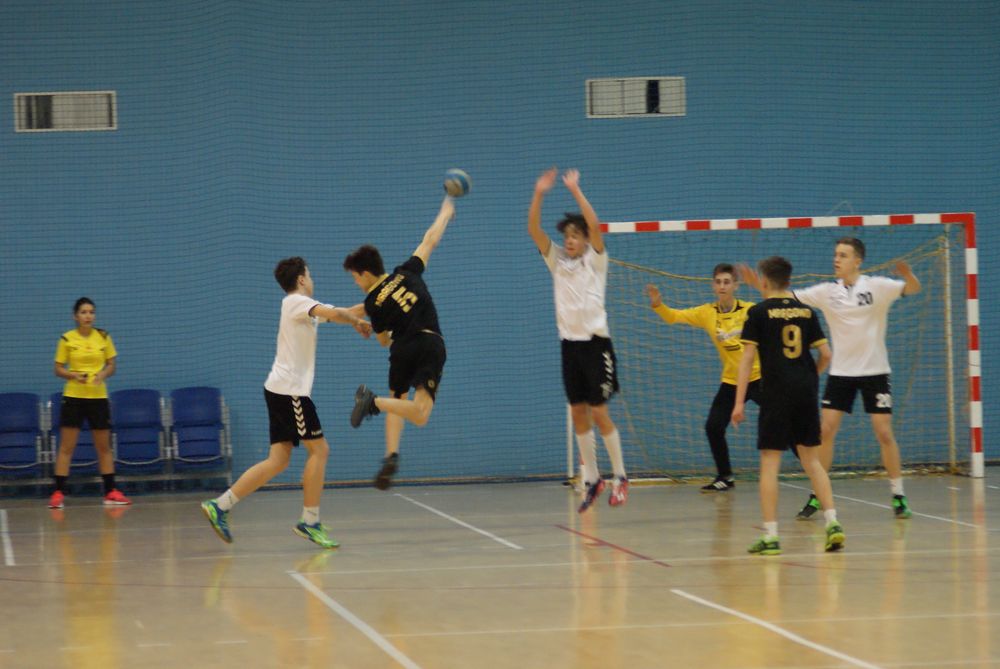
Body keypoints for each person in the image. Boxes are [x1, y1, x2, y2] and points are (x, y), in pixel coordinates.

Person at [201, 257, 371, 549]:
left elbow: (343, 312)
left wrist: (376, 302)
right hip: (291, 392)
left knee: (278, 460)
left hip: (279, 390)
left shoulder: (304, 309)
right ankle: (310, 521)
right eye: (310, 274)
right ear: (301, 279)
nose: (312, 279)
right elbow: (338, 313)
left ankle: (220, 505)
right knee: (319, 450)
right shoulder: (295, 302)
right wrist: (355, 321)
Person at [790, 237, 920, 520]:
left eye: (843, 255)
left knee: (883, 432)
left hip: (875, 371)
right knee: (825, 431)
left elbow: (912, 288)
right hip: (841, 374)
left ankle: (898, 495)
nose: (836, 259)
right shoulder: (827, 292)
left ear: (857, 261)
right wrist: (761, 284)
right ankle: (817, 495)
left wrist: (908, 275)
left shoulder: (877, 287)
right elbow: (787, 297)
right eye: (836, 254)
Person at [528, 167, 628, 512]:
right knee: (578, 413)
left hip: (596, 345)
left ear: (585, 240)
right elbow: (533, 230)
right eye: (567, 235)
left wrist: (574, 190)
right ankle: (593, 479)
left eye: (576, 235)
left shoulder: (596, 260)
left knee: (599, 411)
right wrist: (539, 193)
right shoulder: (557, 261)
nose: (570, 240)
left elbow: (595, 226)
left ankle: (620, 476)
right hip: (569, 346)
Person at [731, 257, 844, 555]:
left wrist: (739, 402)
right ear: (789, 282)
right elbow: (826, 355)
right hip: (805, 391)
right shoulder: (806, 311)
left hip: (776, 393)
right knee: (812, 461)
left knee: (770, 463)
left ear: (763, 281)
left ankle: (771, 536)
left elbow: (747, 360)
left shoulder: (757, 313)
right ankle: (833, 523)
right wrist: (809, 378)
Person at [344, 196, 456, 490]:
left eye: (355, 278)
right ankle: (373, 403)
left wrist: (369, 326)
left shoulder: (373, 302)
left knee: (399, 398)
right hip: (429, 343)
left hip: (402, 350)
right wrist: (445, 212)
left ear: (365, 274)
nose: (356, 283)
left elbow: (383, 341)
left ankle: (391, 454)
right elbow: (430, 240)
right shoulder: (407, 271)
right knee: (420, 414)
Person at [645, 264, 762, 492]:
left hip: (759, 378)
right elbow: (674, 316)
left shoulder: (750, 310)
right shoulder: (707, 312)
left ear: (736, 285)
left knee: (783, 422)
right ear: (713, 286)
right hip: (731, 381)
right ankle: (725, 476)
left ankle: (812, 468)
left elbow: (772, 309)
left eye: (727, 282)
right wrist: (658, 305)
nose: (722, 286)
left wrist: (759, 285)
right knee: (713, 427)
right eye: (718, 282)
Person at [49, 297, 131, 509]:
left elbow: (111, 365)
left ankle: (110, 491)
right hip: (74, 397)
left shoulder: (103, 336)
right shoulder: (67, 339)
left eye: (91, 312)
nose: (88, 316)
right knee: (66, 447)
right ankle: (58, 492)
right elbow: (58, 369)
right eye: (84, 312)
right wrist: (73, 375)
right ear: (75, 316)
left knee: (103, 447)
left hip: (98, 398)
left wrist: (102, 375)